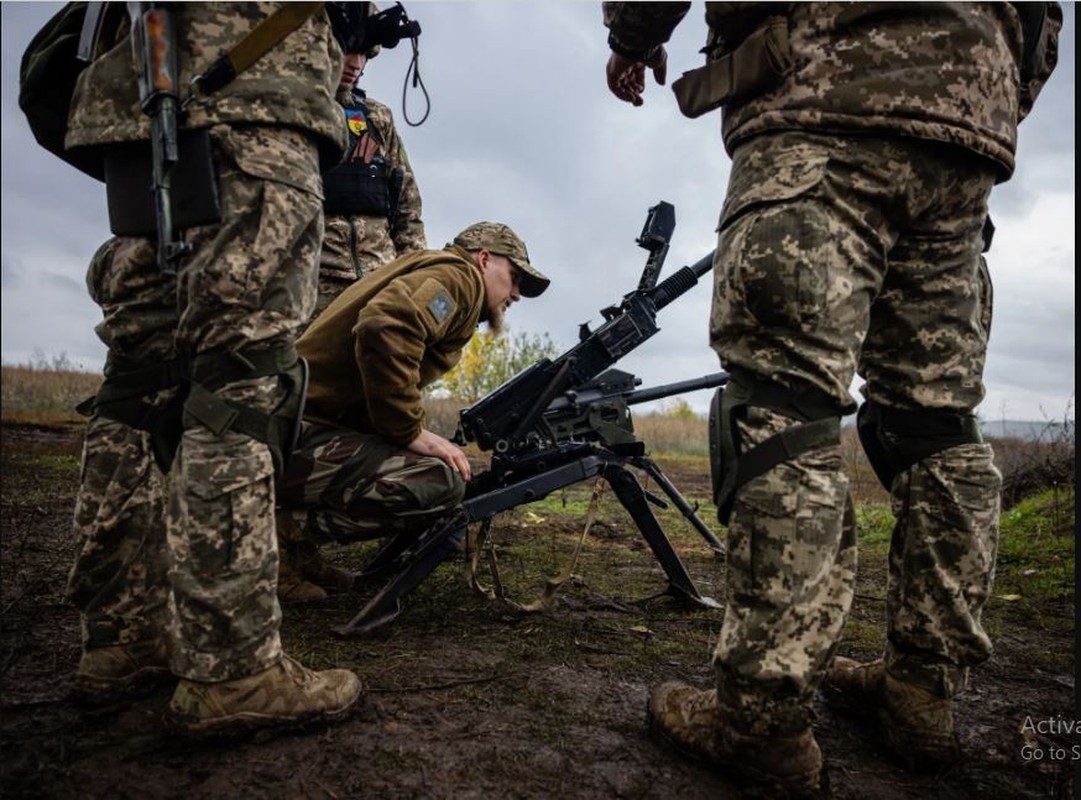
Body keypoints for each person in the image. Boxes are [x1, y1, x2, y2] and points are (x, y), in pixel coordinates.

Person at [600, 2, 1061, 796]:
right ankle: (921, 698)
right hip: (964, 139)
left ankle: (760, 720)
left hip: (823, 107)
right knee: (936, 425)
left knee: (780, 404)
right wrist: (977, 89)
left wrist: (631, 42)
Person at [62, 4, 363, 739]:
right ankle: (232, 669)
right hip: (252, 92)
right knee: (241, 376)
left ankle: (122, 640)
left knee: (139, 379)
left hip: (140, 92)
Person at [272, 222, 550, 602]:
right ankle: (277, 534)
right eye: (514, 277)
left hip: (286, 429)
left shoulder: (431, 269)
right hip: (287, 437)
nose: (516, 294)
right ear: (484, 259)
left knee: (426, 465)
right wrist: (409, 431)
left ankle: (297, 554)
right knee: (439, 482)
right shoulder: (460, 278)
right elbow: (385, 326)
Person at [316, 1, 427, 321]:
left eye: (364, 54)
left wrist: (412, 278)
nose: (355, 63)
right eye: (348, 50)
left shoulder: (377, 118)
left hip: (380, 282)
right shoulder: (302, 113)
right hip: (318, 284)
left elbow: (407, 204)